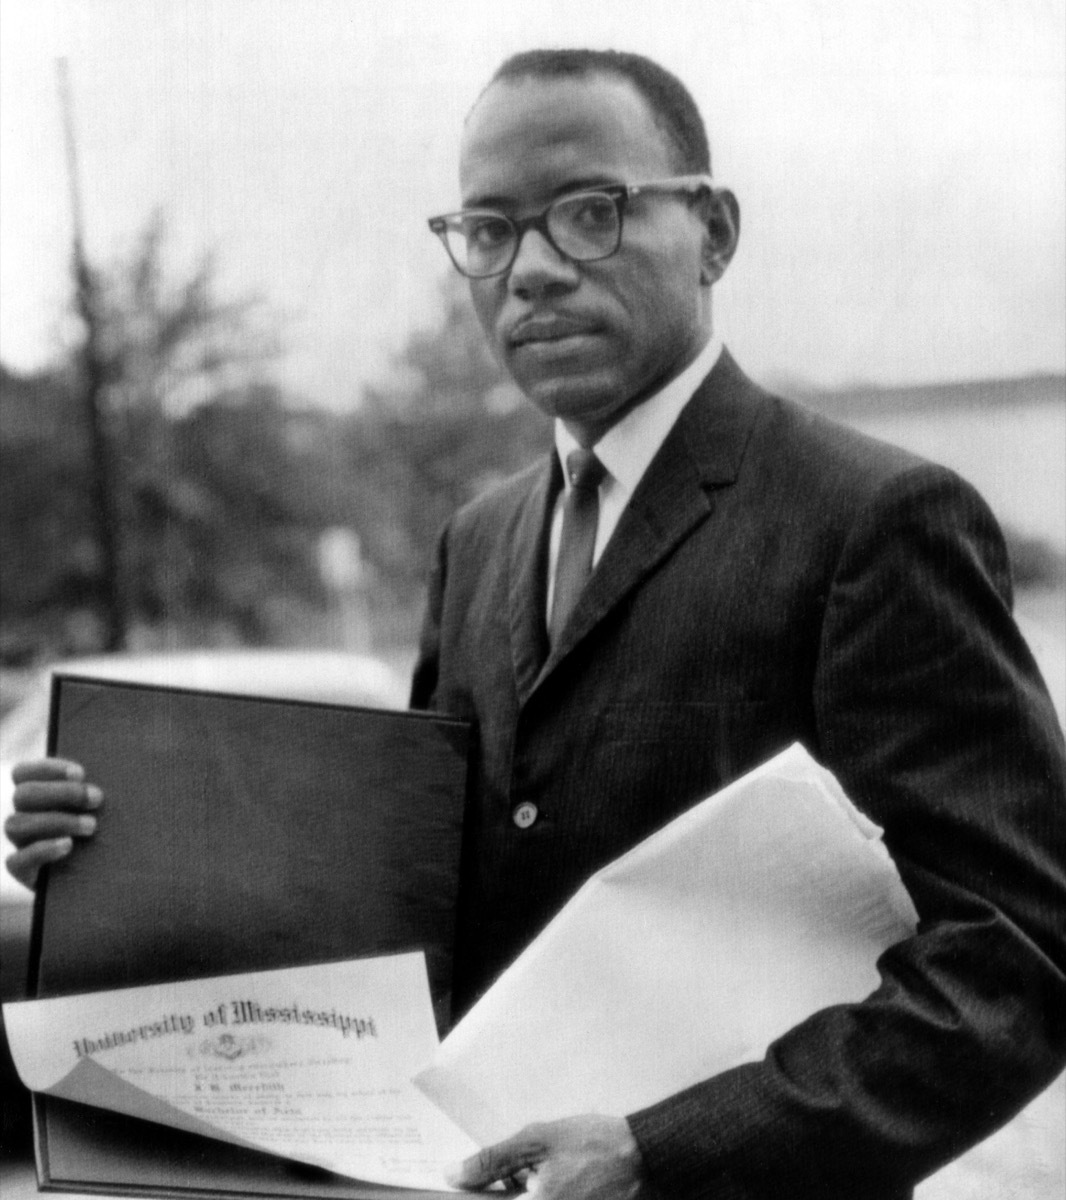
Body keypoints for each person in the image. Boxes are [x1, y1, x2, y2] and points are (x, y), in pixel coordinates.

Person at [7, 49, 1065, 1200]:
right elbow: (414, 916)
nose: (534, 269)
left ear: (713, 232)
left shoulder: (870, 519)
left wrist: (661, 1151)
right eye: (489, 230)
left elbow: (1017, 957)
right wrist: (119, 860)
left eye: (588, 213)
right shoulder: (479, 543)